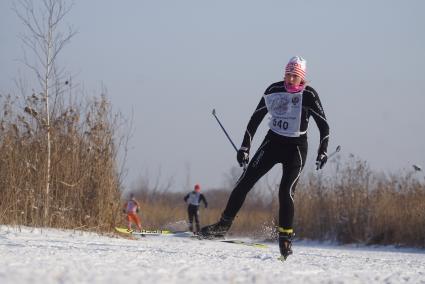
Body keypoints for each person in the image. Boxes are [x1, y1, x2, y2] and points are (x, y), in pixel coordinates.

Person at [200, 56, 330, 260]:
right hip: (272, 143)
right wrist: (244, 147)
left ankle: (285, 237)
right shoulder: (273, 90)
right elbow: (255, 119)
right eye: (287, 73)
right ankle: (222, 225)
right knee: (244, 181)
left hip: (296, 148)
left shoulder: (309, 95)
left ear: (302, 78)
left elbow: (324, 126)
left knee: (286, 191)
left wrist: (322, 150)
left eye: (294, 75)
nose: (290, 78)